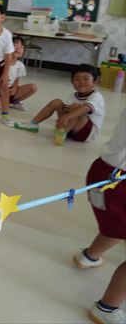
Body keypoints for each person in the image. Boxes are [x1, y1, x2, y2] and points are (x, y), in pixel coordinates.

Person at [73, 109, 125, 324]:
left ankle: (89, 256)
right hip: (119, 183)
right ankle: (107, 308)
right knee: (119, 223)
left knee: (117, 225)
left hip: (104, 171)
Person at [14, 64, 105, 145]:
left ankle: (63, 132)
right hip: (72, 128)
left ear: (94, 82)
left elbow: (86, 108)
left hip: (86, 134)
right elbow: (66, 110)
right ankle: (33, 124)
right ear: (72, 83)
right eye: (77, 79)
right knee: (57, 102)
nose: (81, 82)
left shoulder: (96, 96)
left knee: (77, 107)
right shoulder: (73, 96)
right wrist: (64, 116)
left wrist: (67, 117)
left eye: (85, 79)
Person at [0, 36, 37, 112]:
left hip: (10, 91)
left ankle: (13, 102)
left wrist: (14, 89)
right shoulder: (0, 63)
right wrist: (1, 89)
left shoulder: (20, 65)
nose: (18, 49)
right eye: (15, 45)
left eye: (21, 47)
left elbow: (16, 80)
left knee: (33, 87)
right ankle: (1, 102)